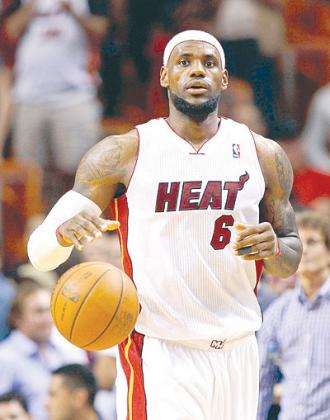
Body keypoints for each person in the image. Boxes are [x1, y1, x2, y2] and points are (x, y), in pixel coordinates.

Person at [28, 30, 302, 420]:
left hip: (240, 349)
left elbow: (290, 255)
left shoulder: (263, 154)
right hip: (162, 353)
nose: (196, 72)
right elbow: (39, 255)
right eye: (184, 62)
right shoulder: (124, 152)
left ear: (223, 79)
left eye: (208, 64)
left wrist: (274, 247)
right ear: (164, 76)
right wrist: (61, 233)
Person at [0, 0, 108, 175]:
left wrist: (73, 12)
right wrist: (30, 8)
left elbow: (103, 29)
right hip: (29, 97)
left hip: (75, 97)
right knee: (30, 174)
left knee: (80, 172)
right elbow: (9, 31)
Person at [257, 210, 330, 420]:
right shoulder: (278, 312)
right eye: (298, 243)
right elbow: (262, 381)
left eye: (312, 241)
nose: (304, 250)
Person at [0, 280, 89, 420]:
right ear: (17, 317)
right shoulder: (5, 357)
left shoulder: (65, 348)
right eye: (39, 311)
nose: (47, 318)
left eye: (50, 311)